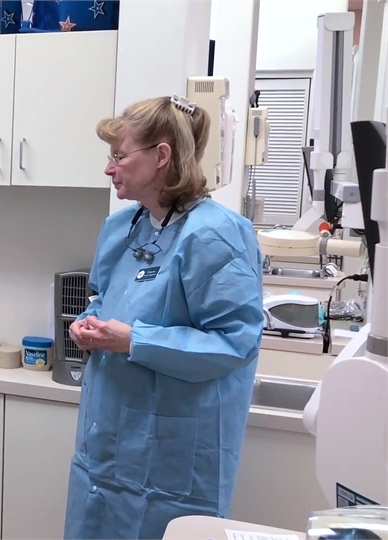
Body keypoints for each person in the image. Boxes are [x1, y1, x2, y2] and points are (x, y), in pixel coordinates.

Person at [63, 95, 264, 540]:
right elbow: (104, 299)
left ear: (161, 156)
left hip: (172, 462)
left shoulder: (216, 235)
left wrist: (136, 341)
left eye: (119, 155)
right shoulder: (122, 228)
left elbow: (235, 342)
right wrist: (87, 324)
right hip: (105, 447)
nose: (109, 168)